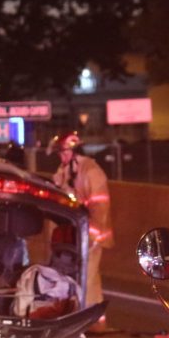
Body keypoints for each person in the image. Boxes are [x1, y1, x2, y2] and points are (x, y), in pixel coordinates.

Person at [50, 132, 113, 309]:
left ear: (75, 151)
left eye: (64, 153)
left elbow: (100, 207)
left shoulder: (91, 171)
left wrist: (91, 235)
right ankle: (94, 321)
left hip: (90, 233)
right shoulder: (65, 170)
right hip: (73, 232)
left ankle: (82, 319)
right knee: (87, 278)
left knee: (85, 277)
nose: (61, 157)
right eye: (59, 154)